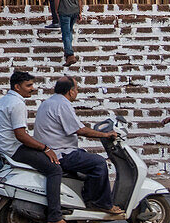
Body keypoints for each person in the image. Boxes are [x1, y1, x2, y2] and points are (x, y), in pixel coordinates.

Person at [0, 71, 76, 223]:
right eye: (28, 85)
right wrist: (45, 148)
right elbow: (21, 135)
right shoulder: (17, 104)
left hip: (6, 148)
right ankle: (55, 217)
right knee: (55, 169)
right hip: (15, 149)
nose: (32, 89)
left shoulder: (5, 100)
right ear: (17, 87)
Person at [34, 77, 123, 215]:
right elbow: (79, 130)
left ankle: (87, 198)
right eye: (76, 89)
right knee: (99, 163)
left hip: (53, 150)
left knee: (86, 156)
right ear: (71, 91)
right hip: (61, 153)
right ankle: (101, 203)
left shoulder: (49, 102)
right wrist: (105, 135)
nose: (77, 92)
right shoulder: (63, 104)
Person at [51, 0, 82, 66]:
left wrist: (56, 9)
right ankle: (68, 53)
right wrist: (80, 12)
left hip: (64, 10)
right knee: (69, 31)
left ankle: (70, 54)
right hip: (75, 10)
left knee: (66, 34)